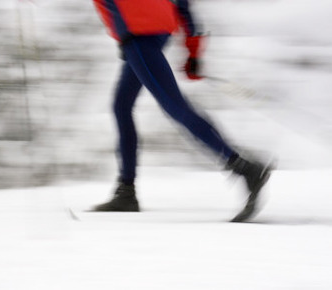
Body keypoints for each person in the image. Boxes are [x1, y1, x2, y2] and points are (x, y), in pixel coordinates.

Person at [91, 0, 272, 222]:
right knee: (122, 106)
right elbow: (183, 4)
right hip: (156, 29)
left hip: (138, 32)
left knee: (175, 106)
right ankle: (126, 192)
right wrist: (193, 52)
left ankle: (244, 168)